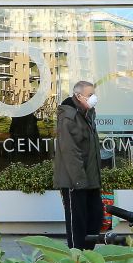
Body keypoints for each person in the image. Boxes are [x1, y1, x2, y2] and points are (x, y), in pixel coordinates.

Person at [54, 80, 102, 250]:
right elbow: (70, 152)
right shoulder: (69, 116)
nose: (93, 98)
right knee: (77, 223)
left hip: (89, 179)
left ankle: (87, 254)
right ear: (78, 96)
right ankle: (77, 257)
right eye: (90, 95)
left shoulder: (88, 114)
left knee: (96, 216)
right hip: (75, 181)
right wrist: (80, 182)